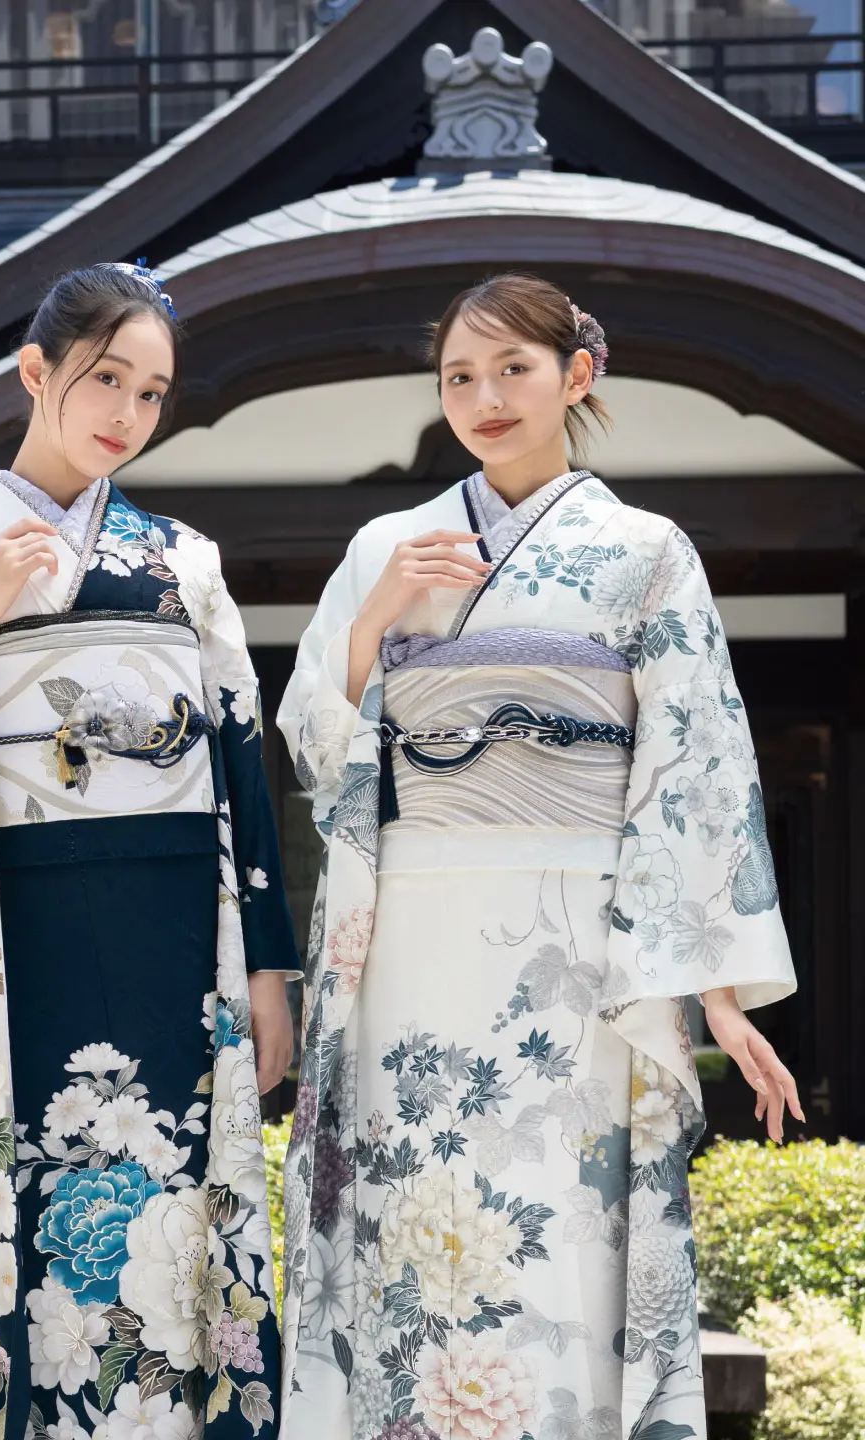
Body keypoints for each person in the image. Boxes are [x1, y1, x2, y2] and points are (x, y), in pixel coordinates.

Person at [275, 273, 802, 1440]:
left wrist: (714, 988)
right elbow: (318, 748)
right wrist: (374, 626)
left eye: (512, 368)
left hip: (575, 949)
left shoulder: (645, 551)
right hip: (407, 939)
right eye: (458, 376)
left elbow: (696, 763)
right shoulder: (383, 547)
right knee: (416, 1222)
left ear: (578, 373)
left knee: (559, 1230)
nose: (483, 396)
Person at [0, 262, 300, 1440]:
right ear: (35, 371)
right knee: (20, 1216)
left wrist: (268, 966)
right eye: (106, 380)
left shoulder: (183, 562)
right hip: (14, 939)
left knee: (180, 1221)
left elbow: (240, 762)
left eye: (152, 394)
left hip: (170, 937)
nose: (126, 415)